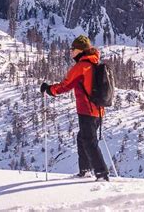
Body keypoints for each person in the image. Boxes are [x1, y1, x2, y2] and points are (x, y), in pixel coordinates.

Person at [40, 35, 109, 181]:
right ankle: (85, 171)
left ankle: (101, 174)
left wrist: (49, 90)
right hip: (98, 110)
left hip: (87, 110)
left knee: (89, 140)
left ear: (80, 50)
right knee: (83, 138)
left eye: (73, 49)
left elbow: (65, 85)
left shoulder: (82, 67)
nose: (70, 52)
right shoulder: (94, 63)